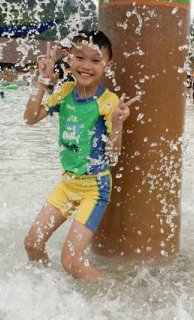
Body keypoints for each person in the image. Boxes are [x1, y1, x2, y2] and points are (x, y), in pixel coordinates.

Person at [23, 30, 138, 280]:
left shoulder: (109, 101)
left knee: (71, 262)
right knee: (32, 243)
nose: (86, 66)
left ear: (108, 65)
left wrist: (118, 125)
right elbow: (30, 118)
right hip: (67, 184)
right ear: (69, 59)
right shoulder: (64, 90)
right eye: (80, 58)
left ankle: (110, 296)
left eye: (96, 60)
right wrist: (43, 80)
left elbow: (113, 156)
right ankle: (48, 288)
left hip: (94, 189)